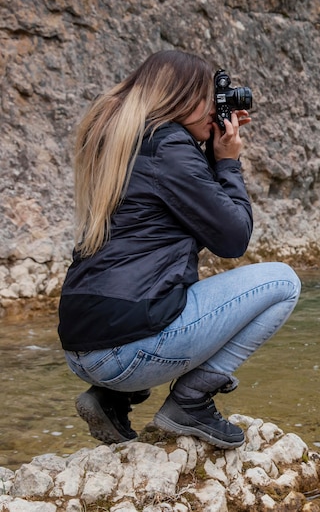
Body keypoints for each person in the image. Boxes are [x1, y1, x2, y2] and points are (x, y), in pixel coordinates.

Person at [58, 49, 301, 449]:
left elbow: (175, 203)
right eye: (208, 99)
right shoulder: (170, 147)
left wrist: (205, 147)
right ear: (182, 98)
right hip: (125, 354)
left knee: (161, 289)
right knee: (282, 282)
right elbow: (232, 238)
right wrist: (227, 162)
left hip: (82, 350)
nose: (214, 110)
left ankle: (111, 398)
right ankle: (190, 401)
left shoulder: (121, 139)